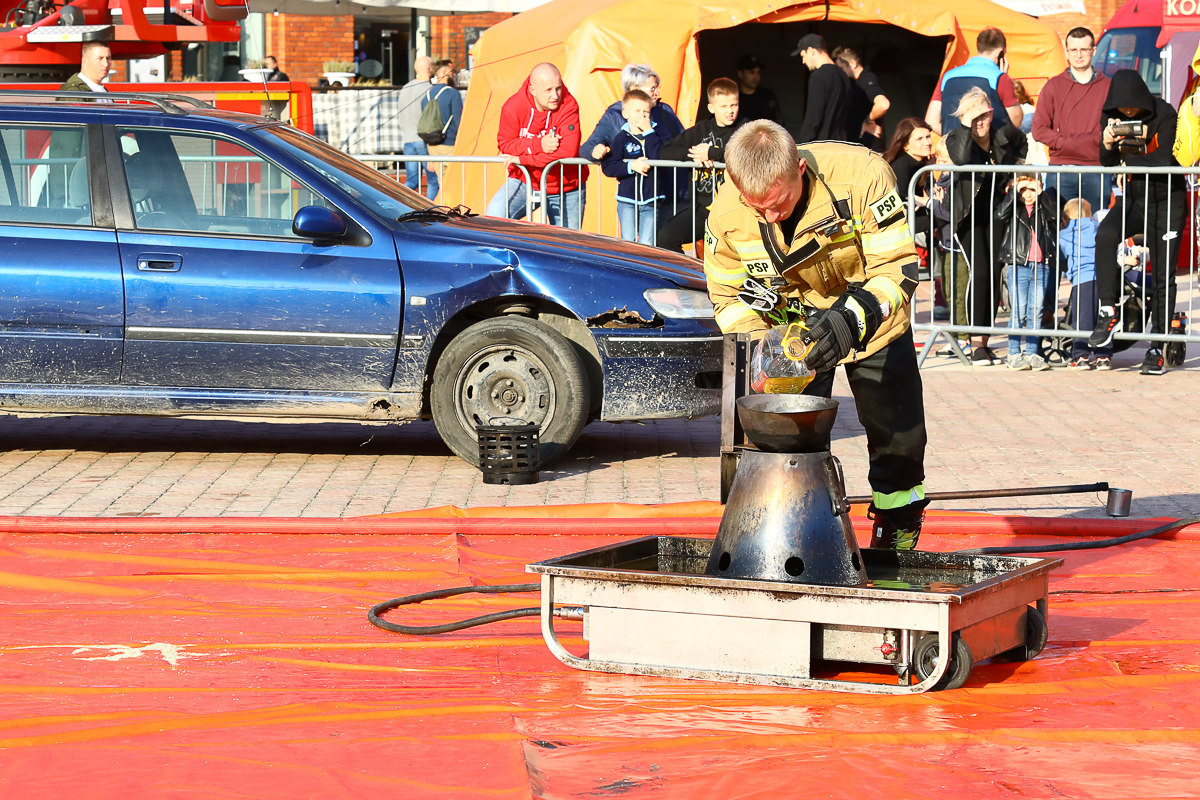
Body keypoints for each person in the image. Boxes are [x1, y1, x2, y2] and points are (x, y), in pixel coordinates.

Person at [702, 120, 929, 550]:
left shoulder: (862, 175)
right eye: (758, 209)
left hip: (871, 318)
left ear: (801, 169)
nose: (769, 217)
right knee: (783, 440)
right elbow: (728, 299)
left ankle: (897, 528)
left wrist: (852, 319)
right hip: (793, 334)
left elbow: (897, 269)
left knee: (897, 437)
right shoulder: (727, 215)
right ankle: (794, 537)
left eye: (779, 205)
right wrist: (767, 350)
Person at [1089, 69, 1184, 376]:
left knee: (1162, 275)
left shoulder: (1165, 113)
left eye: (1133, 109)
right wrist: (1106, 142)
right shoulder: (1114, 118)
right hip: (1134, 199)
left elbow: (1166, 160)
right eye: (1122, 108)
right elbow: (1107, 161)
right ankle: (1108, 310)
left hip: (1168, 200)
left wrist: (1126, 158)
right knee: (1105, 234)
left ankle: (1157, 346)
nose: (1128, 113)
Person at [942, 87, 1028, 365]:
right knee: (979, 272)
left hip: (997, 211)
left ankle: (985, 339)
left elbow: (1022, 144)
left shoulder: (1004, 131)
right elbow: (962, 159)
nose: (980, 123)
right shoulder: (958, 136)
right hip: (967, 214)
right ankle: (974, 342)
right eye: (973, 118)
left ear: (992, 114)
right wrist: (967, 128)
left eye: (984, 116)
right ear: (964, 118)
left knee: (993, 273)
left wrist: (1017, 170)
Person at [486, 62, 588, 229]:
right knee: (495, 217)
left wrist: (522, 158)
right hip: (525, 180)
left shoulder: (569, 105)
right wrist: (538, 144)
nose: (555, 95)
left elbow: (567, 152)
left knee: (568, 243)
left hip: (566, 186)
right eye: (548, 90)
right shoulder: (513, 106)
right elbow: (505, 144)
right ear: (533, 90)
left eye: (558, 88)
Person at [657, 77, 745, 253]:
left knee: (726, 254)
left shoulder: (745, 128)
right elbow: (665, 151)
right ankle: (686, 278)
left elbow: (747, 157)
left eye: (733, 105)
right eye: (724, 106)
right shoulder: (701, 129)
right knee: (665, 237)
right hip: (701, 210)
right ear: (711, 108)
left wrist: (712, 153)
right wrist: (694, 155)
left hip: (734, 210)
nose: (730, 111)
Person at [1031, 27, 1111, 211]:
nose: (1079, 55)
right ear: (1067, 52)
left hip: (1097, 168)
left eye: (1084, 49)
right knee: (1058, 229)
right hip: (1061, 169)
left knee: (1097, 229)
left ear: (1094, 50)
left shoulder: (1108, 86)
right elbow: (1039, 129)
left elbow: (1115, 128)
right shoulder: (1053, 86)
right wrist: (1064, 143)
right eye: (1073, 50)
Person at [996, 171, 1057, 370]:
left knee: (1036, 311)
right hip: (1018, 264)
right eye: (1024, 189)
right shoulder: (1014, 206)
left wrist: (1043, 195)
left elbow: (1055, 215)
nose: (1028, 194)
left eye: (1032, 189)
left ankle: (1032, 353)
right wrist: (1014, 194)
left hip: (1041, 266)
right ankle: (1013, 353)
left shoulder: (1043, 205)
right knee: (1018, 311)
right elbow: (999, 214)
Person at [884, 119, 942, 318]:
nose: (927, 142)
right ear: (906, 144)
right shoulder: (901, 166)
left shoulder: (921, 164)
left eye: (928, 136)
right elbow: (902, 206)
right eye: (920, 138)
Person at [925, 27, 1023, 136]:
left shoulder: (947, 77)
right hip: (988, 150)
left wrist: (952, 139)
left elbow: (931, 121)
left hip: (954, 150)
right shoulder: (1000, 78)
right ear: (1001, 53)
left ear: (978, 49)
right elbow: (1016, 120)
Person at [600, 90, 669, 245]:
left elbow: (660, 155)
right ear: (625, 114)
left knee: (647, 243)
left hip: (652, 199)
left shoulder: (658, 132)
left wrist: (649, 132)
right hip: (627, 200)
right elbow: (609, 166)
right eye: (637, 111)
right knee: (628, 242)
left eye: (646, 112)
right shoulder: (621, 138)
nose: (642, 116)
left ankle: (645, 268)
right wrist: (631, 166)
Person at [583, 64, 684, 163]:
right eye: (652, 89)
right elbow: (587, 147)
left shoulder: (664, 111)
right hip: (632, 178)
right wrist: (595, 150)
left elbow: (684, 140)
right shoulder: (614, 115)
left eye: (657, 88)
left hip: (665, 178)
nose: (657, 93)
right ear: (633, 89)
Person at [1059, 198, 1109, 370]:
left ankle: (1081, 356)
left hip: (1082, 278)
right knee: (1105, 317)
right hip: (1104, 277)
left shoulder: (1064, 235)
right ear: (1088, 213)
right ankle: (1104, 356)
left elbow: (1061, 256)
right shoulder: (1097, 228)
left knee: (1083, 319)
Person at [792, 34, 853, 144]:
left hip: (823, 148)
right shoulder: (844, 76)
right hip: (843, 145)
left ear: (811, 51)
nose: (803, 61)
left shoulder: (819, 76)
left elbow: (813, 119)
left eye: (803, 55)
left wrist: (800, 146)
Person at [832, 46, 890, 150]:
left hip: (871, 150)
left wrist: (867, 120)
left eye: (841, 69)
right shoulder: (854, 83)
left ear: (853, 64)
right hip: (861, 147)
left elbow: (883, 104)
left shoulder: (866, 79)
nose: (840, 73)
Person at [421, 63, 464, 202]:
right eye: (452, 74)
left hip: (432, 144)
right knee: (456, 182)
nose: (454, 76)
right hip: (450, 143)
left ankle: (444, 209)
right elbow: (459, 122)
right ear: (445, 74)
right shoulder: (452, 93)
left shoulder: (426, 95)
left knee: (442, 183)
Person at [399, 56, 437, 200]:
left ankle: (398, 202)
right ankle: (432, 212)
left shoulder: (405, 88)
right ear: (429, 69)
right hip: (424, 141)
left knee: (412, 181)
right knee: (433, 181)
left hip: (408, 140)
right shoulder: (430, 90)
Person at [733, 54, 781, 124]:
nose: (757, 77)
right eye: (752, 72)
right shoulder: (731, 97)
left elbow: (779, 123)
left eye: (758, 72)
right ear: (740, 74)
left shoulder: (768, 96)